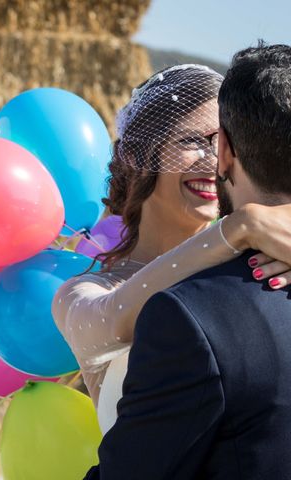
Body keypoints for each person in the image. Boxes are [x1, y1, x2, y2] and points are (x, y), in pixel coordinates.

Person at [83, 43, 291, 479]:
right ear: (139, 154)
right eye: (193, 141)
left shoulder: (223, 296)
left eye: (218, 142)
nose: (211, 160)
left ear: (232, 151)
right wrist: (239, 226)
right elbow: (111, 316)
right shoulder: (91, 292)